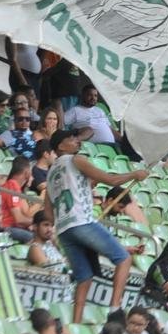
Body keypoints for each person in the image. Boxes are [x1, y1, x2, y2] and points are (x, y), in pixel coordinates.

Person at [45, 129, 147, 323]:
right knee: (123, 259)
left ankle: (76, 323)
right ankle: (115, 309)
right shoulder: (76, 160)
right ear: (60, 146)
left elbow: (48, 212)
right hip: (82, 221)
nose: (77, 140)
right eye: (72, 138)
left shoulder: (51, 172)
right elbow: (110, 180)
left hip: (64, 230)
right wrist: (136, 173)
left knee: (84, 278)